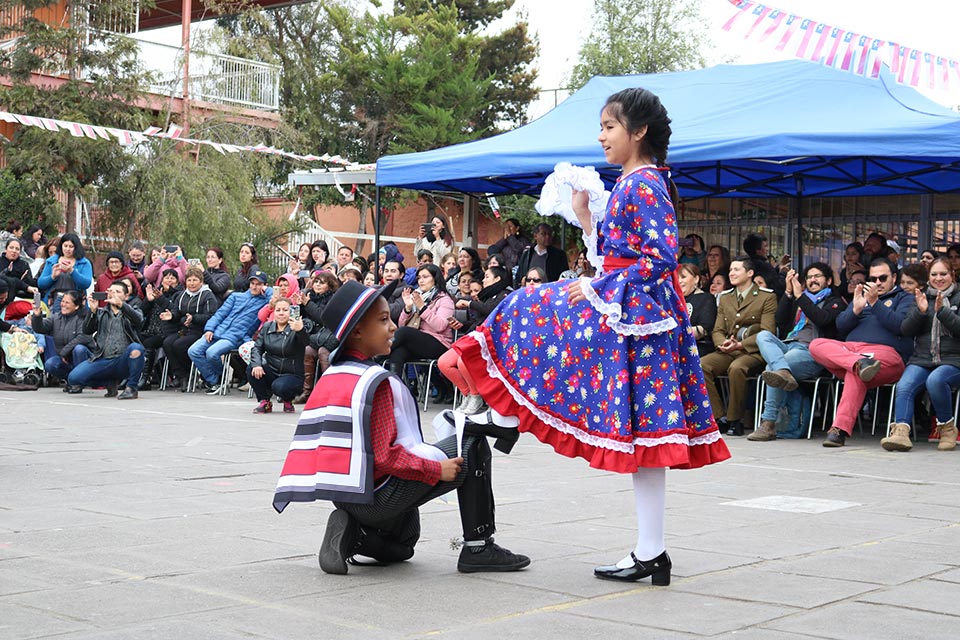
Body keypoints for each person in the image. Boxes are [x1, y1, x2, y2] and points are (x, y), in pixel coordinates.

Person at [438, 87, 730, 584]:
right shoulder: (639, 181)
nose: (601, 136)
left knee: (522, 308)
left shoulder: (643, 185)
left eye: (609, 126)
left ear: (637, 132)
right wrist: (588, 217)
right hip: (633, 314)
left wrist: (597, 284)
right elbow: (620, 253)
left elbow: (657, 259)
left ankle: (503, 411)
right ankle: (650, 551)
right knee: (646, 440)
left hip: (639, 319)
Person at [272, 280, 530, 575]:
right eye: (383, 320)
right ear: (356, 332)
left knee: (405, 544)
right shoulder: (374, 383)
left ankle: (356, 533)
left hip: (347, 493)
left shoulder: (334, 374)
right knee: (471, 444)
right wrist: (437, 470)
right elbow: (385, 456)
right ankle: (479, 546)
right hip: (378, 495)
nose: (394, 326)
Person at [809, 258, 915, 447]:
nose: (877, 283)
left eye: (882, 278)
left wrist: (875, 303)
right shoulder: (862, 297)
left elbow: (900, 326)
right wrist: (855, 310)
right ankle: (858, 363)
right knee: (816, 344)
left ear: (894, 278)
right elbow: (841, 327)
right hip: (853, 352)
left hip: (887, 354)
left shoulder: (905, 297)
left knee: (857, 372)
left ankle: (838, 430)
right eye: (873, 279)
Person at [749, 263, 846, 441]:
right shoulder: (799, 299)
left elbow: (822, 319)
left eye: (817, 276)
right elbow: (780, 321)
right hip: (789, 345)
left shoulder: (835, 301)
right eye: (809, 277)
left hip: (812, 352)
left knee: (773, 367)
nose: (812, 280)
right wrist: (787, 293)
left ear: (829, 280)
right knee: (763, 336)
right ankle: (782, 370)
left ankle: (768, 422)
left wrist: (800, 296)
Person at [884, 258, 960, 452]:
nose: (938, 278)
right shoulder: (921, 296)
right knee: (905, 385)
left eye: (943, 274)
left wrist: (943, 312)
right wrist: (920, 311)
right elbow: (905, 330)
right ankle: (900, 432)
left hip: (953, 360)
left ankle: (947, 429)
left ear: (952, 275)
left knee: (935, 380)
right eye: (934, 274)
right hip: (923, 358)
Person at [699, 257, 777, 436]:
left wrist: (741, 344)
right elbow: (717, 329)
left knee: (737, 368)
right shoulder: (725, 298)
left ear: (749, 273)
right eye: (731, 270)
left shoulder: (767, 296)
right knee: (701, 365)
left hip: (752, 351)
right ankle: (719, 417)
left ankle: (735, 419)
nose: (731, 273)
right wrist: (723, 343)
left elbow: (767, 331)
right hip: (728, 348)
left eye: (736, 270)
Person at [188, 269, 272, 392]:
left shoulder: (265, 302)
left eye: (259, 284)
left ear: (264, 286)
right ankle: (215, 380)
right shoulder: (236, 296)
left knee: (212, 353)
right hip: (218, 331)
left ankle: (219, 380)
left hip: (236, 337)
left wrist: (267, 291)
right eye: (252, 283)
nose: (254, 286)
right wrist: (209, 329)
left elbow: (276, 299)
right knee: (193, 351)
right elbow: (219, 314)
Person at [66, 281, 145, 399]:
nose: (113, 294)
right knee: (74, 378)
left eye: (118, 292)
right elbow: (87, 330)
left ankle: (131, 388)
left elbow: (139, 320)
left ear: (126, 296)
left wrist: (122, 305)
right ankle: (109, 382)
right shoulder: (100, 312)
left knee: (137, 348)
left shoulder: (133, 310)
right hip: (104, 359)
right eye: (111, 291)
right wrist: (92, 311)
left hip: (123, 360)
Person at [387, 263, 455, 379]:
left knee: (404, 332)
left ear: (435, 278)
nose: (421, 281)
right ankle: (395, 388)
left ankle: (378, 353)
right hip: (418, 341)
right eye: (419, 278)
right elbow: (401, 324)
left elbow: (440, 326)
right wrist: (408, 308)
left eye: (425, 277)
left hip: (439, 343)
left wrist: (422, 308)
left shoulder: (445, 300)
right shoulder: (418, 297)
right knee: (398, 352)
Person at [162, 266, 220, 391]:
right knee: (167, 343)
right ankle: (182, 375)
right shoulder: (182, 295)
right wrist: (171, 315)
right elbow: (177, 312)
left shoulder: (208, 295)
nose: (192, 283)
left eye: (195, 280)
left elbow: (211, 316)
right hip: (184, 330)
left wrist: (194, 318)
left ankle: (190, 373)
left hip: (200, 331)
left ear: (201, 281)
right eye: (189, 280)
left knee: (179, 345)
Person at [248, 297, 309, 414]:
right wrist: (257, 364)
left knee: (279, 387)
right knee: (252, 368)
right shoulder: (267, 327)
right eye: (278, 310)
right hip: (272, 369)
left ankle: (287, 400)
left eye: (285, 310)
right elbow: (257, 348)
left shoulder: (297, 326)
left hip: (292, 374)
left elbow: (307, 343)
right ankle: (265, 402)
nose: (281, 313)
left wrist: (300, 330)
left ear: (291, 311)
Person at [295, 269, 340, 403]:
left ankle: (329, 391)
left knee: (323, 352)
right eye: (315, 282)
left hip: (330, 337)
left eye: (322, 283)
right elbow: (302, 316)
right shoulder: (310, 297)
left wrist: (307, 304)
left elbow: (323, 318)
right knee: (308, 350)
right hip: (314, 337)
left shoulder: (334, 299)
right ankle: (307, 391)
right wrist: (300, 305)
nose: (317, 285)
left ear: (330, 285)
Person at [30, 289, 92, 385]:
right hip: (65, 360)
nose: (63, 304)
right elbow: (40, 329)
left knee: (79, 349)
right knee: (50, 364)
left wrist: (64, 352)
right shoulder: (55, 317)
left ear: (76, 306)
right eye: (62, 301)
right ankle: (71, 379)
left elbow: (84, 337)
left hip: (83, 358)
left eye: (67, 302)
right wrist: (37, 315)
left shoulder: (83, 317)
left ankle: (79, 381)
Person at [37, 233, 93, 309]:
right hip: (53, 302)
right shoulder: (51, 261)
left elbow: (86, 283)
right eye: (65, 246)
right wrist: (52, 277)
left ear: (76, 248)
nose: (67, 249)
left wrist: (72, 271)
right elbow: (41, 283)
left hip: (76, 303)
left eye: (71, 247)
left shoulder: (84, 263)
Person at [677, 263, 716, 358]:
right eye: (677, 278)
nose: (679, 281)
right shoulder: (674, 300)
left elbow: (705, 328)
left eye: (683, 277)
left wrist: (677, 333)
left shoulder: (706, 298)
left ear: (696, 279)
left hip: (697, 346)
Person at [513, 223, 568, 287]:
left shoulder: (559, 255)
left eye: (549, 234)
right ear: (535, 236)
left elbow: (564, 277)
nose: (547, 237)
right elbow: (518, 277)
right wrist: (522, 280)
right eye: (543, 234)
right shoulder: (527, 254)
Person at [742, 232, 785, 297]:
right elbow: (778, 286)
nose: (767, 249)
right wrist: (783, 272)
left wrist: (777, 268)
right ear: (758, 250)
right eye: (765, 246)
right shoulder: (764, 266)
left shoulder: (745, 263)